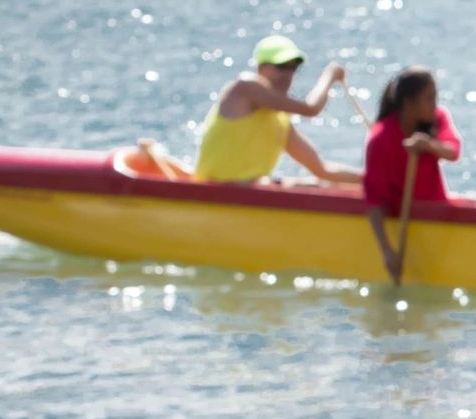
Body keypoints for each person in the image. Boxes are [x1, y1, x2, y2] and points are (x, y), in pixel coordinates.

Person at [188, 35, 357, 187]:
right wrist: (330, 75)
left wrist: (371, 178)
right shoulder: (245, 86)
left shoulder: (280, 122)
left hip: (250, 195)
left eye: (293, 67)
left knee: (321, 184)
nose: (288, 74)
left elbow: (322, 170)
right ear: (261, 68)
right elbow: (310, 108)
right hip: (214, 195)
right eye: (281, 66)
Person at [362, 66, 461, 278]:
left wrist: (428, 145)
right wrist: (387, 252)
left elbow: (453, 152)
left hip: (436, 215)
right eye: (429, 98)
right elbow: (374, 200)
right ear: (409, 103)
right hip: (403, 220)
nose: (435, 104)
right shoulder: (380, 138)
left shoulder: (438, 118)